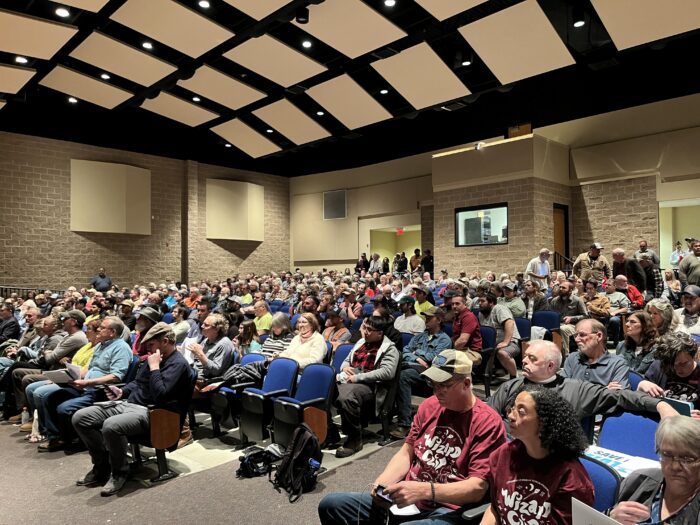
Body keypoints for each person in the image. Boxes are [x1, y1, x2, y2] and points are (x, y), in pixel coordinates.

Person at [318, 349, 506, 524]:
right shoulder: (430, 405)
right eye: (433, 384)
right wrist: (382, 485)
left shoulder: (487, 422)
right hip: (408, 498)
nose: (436, 391)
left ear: (466, 384)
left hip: (447, 506)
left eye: (444, 385)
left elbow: (477, 488)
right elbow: (407, 452)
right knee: (331, 505)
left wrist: (424, 491)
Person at [71, 322, 192, 496]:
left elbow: (161, 395)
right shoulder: (153, 359)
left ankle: (120, 472)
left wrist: (155, 368)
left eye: (151, 345)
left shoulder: (177, 364)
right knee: (81, 417)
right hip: (127, 404)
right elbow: (138, 383)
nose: (148, 349)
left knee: (111, 426)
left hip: (153, 413)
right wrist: (122, 390)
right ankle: (102, 466)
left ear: (165, 341)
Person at [487, 341, 679, 428]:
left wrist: (660, 404)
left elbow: (621, 397)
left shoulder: (577, 389)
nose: (524, 362)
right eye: (525, 357)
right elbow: (488, 417)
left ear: (551, 365)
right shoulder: (511, 386)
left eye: (532, 358)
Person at [481, 387, 594, 525]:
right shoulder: (503, 455)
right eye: (512, 408)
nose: (510, 416)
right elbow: (495, 509)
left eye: (521, 412)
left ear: (543, 423)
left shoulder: (571, 478)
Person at [330, 316, 399, 458]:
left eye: (369, 330)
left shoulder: (390, 349)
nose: (365, 332)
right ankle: (329, 432)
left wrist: (357, 377)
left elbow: (387, 372)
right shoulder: (361, 342)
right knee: (322, 390)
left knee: (345, 396)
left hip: (371, 387)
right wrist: (345, 368)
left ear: (380, 333)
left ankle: (354, 439)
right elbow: (346, 361)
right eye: (365, 328)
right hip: (350, 381)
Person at [609, 416, 700, 524]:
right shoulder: (639, 480)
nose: (675, 467)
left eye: (687, 458)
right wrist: (609, 519)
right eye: (667, 455)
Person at [390, 306, 452, 439]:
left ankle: (405, 424)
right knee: (391, 373)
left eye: (430, 318)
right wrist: (417, 357)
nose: (426, 320)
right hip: (412, 368)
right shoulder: (420, 336)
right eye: (426, 317)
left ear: (439, 320)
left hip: (429, 376)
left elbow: (434, 359)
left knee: (402, 377)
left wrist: (415, 352)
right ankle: (386, 414)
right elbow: (405, 351)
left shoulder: (444, 340)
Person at [637, 331, 700, 414]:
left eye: (683, 364)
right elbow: (639, 400)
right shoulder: (658, 366)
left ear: (694, 356)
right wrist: (641, 386)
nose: (677, 369)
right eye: (671, 365)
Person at [562, 319, 630, 389]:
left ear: (599, 336)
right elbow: (562, 388)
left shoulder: (618, 364)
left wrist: (574, 389)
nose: (576, 339)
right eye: (575, 335)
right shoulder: (572, 358)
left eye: (582, 335)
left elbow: (619, 396)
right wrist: (604, 390)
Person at [478, 294, 521, 379]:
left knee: (503, 353)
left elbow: (509, 323)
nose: (479, 303)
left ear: (491, 303)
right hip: (493, 344)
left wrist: (506, 342)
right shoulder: (481, 313)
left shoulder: (499, 309)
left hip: (511, 342)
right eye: (479, 301)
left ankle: (515, 378)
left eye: (482, 301)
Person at [617, 311, 659, 375]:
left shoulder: (656, 348)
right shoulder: (622, 345)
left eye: (633, 322)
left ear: (645, 325)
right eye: (627, 321)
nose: (627, 324)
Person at [450, 294, 483, 365]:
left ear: (464, 304)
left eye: (457, 303)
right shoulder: (457, 315)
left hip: (471, 352)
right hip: (460, 349)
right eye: (452, 304)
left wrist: (450, 350)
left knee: (447, 360)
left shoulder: (468, 317)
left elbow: (462, 340)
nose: (454, 306)